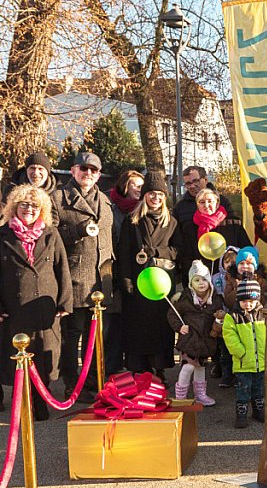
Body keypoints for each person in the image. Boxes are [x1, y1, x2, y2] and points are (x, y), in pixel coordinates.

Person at [0, 185, 72, 420]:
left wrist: (64, 302)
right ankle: (22, 405)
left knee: (44, 358)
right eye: (24, 205)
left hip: (44, 307)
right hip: (14, 308)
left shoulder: (50, 233)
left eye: (34, 206)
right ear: (14, 207)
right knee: (19, 359)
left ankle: (41, 404)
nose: (29, 209)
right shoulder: (3, 235)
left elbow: (62, 268)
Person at [51, 152, 114, 400]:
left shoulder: (105, 200)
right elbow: (51, 239)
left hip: (103, 277)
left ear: (99, 174)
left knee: (97, 336)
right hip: (75, 277)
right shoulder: (58, 198)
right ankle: (72, 383)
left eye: (94, 170)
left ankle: (94, 381)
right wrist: (77, 232)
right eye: (83, 169)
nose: (88, 174)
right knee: (72, 337)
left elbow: (111, 239)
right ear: (74, 170)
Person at [117, 175, 181, 382]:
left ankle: (160, 369)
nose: (155, 198)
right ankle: (139, 369)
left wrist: (158, 251)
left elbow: (176, 251)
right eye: (152, 193)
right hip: (138, 282)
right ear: (145, 196)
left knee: (161, 328)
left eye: (160, 194)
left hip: (161, 283)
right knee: (138, 327)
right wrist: (125, 280)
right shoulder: (132, 220)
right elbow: (124, 252)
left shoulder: (171, 222)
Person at [167, 260, 224, 407]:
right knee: (188, 366)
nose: (201, 283)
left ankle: (200, 395)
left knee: (200, 367)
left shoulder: (215, 300)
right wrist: (179, 327)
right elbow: (172, 314)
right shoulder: (184, 299)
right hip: (190, 339)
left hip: (206, 340)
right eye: (197, 280)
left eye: (204, 279)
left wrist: (218, 323)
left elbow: (219, 317)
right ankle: (180, 397)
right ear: (191, 283)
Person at [106, 169, 144, 375]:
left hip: (137, 272)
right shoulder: (112, 207)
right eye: (134, 185)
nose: (138, 189)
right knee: (114, 324)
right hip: (114, 271)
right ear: (125, 186)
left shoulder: (143, 208)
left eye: (141, 185)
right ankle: (111, 368)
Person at [179, 187, 251, 286]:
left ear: (217, 203)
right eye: (202, 202)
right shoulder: (189, 228)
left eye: (210, 201)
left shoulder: (234, 224)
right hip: (202, 283)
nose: (206, 205)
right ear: (197, 205)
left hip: (231, 281)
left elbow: (247, 250)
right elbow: (186, 258)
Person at [223, 276, 266, 428]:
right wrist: (240, 352)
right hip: (242, 363)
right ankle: (241, 414)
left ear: (257, 300)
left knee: (259, 389)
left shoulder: (263, 314)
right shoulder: (232, 316)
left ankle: (258, 410)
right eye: (244, 301)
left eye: (251, 301)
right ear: (238, 300)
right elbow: (229, 336)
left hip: (260, 362)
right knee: (243, 390)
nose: (248, 304)